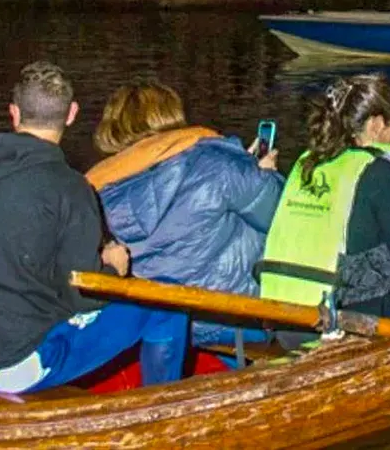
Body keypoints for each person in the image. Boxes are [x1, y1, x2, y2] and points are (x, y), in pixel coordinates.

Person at [0, 61, 188, 395]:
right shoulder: (69, 188)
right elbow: (83, 298)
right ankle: (160, 409)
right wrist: (114, 268)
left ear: (13, 113)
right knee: (167, 305)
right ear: (71, 114)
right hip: (16, 362)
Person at [86, 81, 284, 348]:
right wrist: (263, 175)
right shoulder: (215, 162)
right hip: (231, 319)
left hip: (151, 326)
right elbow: (282, 215)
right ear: (171, 117)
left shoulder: (95, 192)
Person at [259, 73, 390, 340]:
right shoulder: (378, 171)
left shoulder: (306, 161)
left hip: (283, 314)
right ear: (376, 124)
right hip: (337, 321)